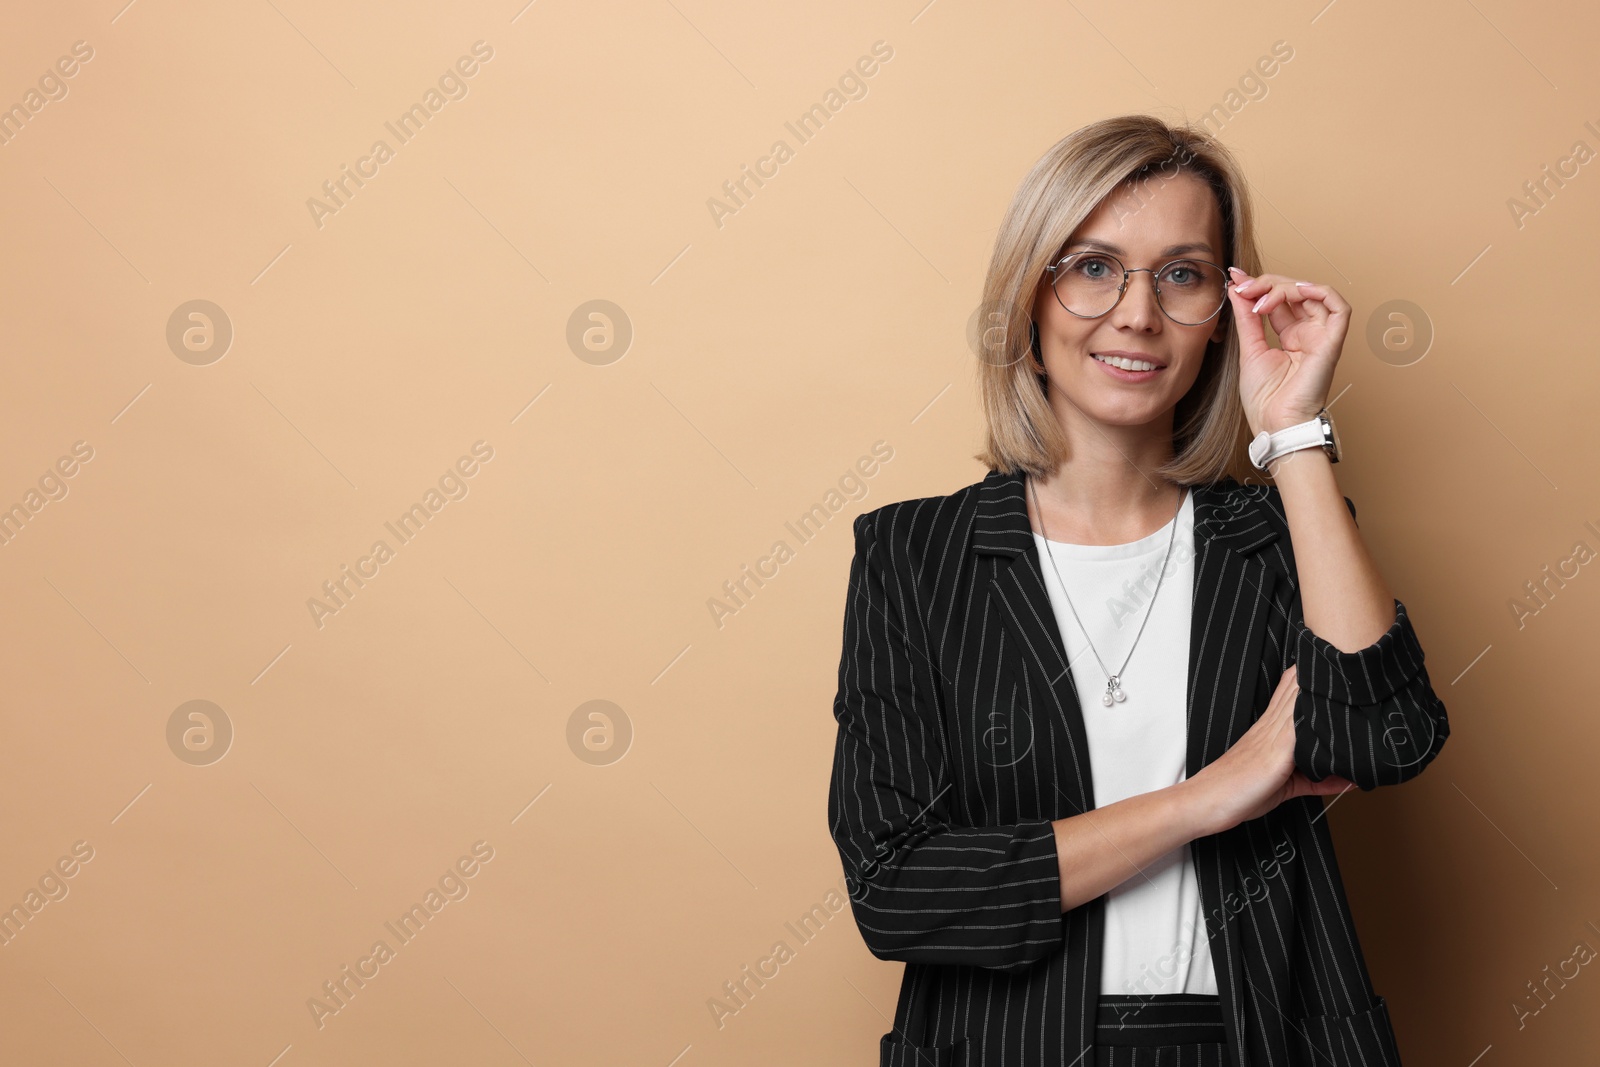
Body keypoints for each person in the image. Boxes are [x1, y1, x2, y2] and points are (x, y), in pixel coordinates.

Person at [827, 114, 1450, 1067]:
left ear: (1222, 314)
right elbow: (899, 887)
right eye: (1091, 267)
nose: (1136, 313)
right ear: (1028, 298)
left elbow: (1385, 735)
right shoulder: (915, 554)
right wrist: (1203, 799)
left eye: (1183, 274)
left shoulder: (1277, 535)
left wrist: (1292, 430)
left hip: (1265, 1042)